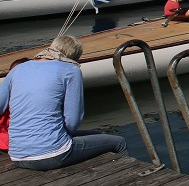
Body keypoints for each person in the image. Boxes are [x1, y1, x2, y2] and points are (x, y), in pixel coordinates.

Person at [0, 35, 127, 170]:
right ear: (73, 58)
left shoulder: (18, 69)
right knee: (119, 142)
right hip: (51, 155)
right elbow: (73, 121)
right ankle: (131, 183)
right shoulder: (71, 70)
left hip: (17, 155)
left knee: (98, 135)